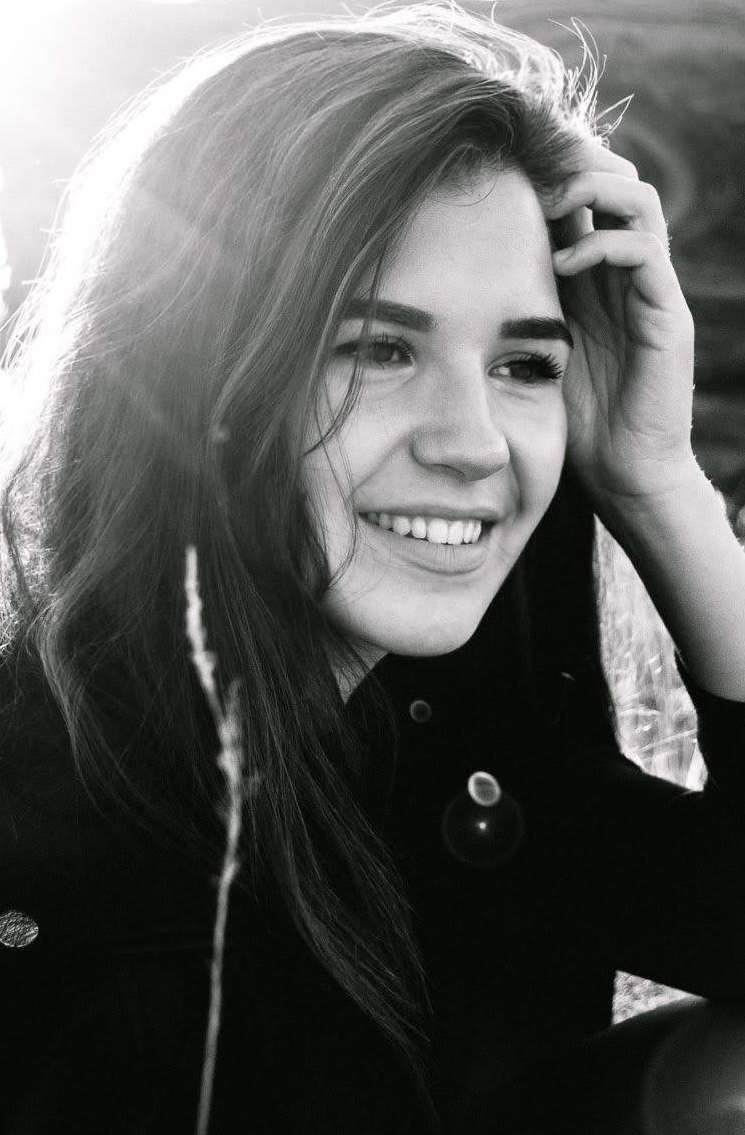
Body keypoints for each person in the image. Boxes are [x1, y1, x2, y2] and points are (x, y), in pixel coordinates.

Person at [0, 3, 744, 1133]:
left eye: (524, 364)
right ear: (187, 374)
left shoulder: (444, 747)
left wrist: (656, 480)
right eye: (378, 349)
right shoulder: (56, 864)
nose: (472, 442)